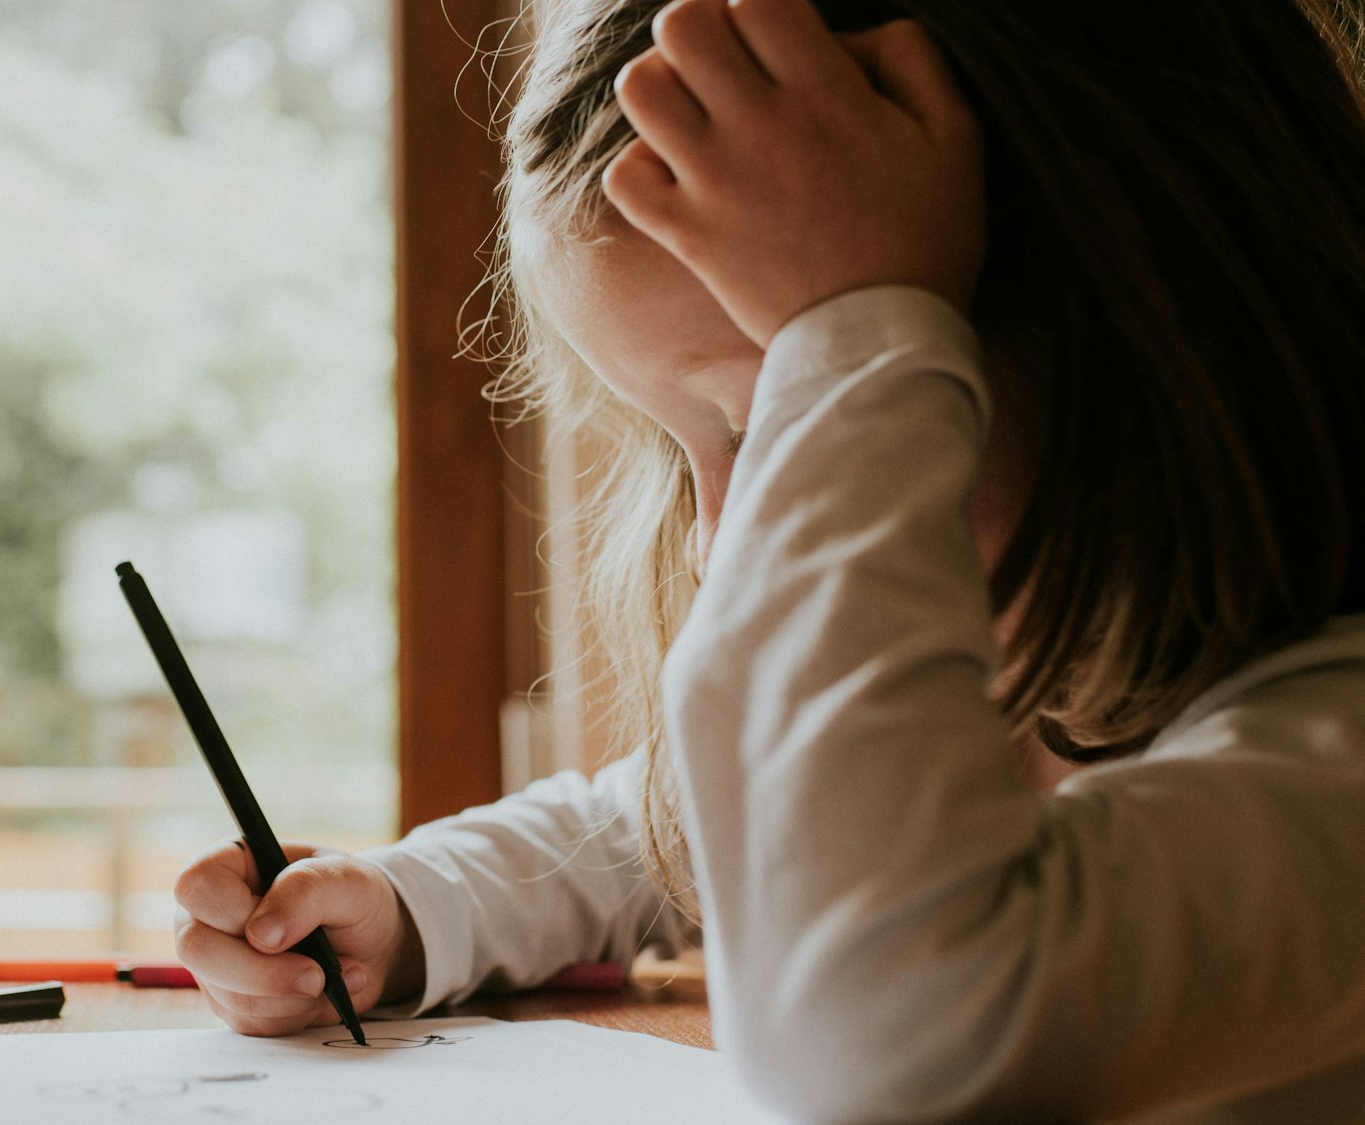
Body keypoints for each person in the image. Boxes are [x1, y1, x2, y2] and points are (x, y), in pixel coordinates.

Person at [172, 0, 1365, 1118]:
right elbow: (657, 826)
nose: (717, 530)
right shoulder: (1040, 697)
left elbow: (886, 1038)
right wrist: (414, 906)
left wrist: (853, 336)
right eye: (676, 438)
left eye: (781, 419)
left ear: (1136, 336)